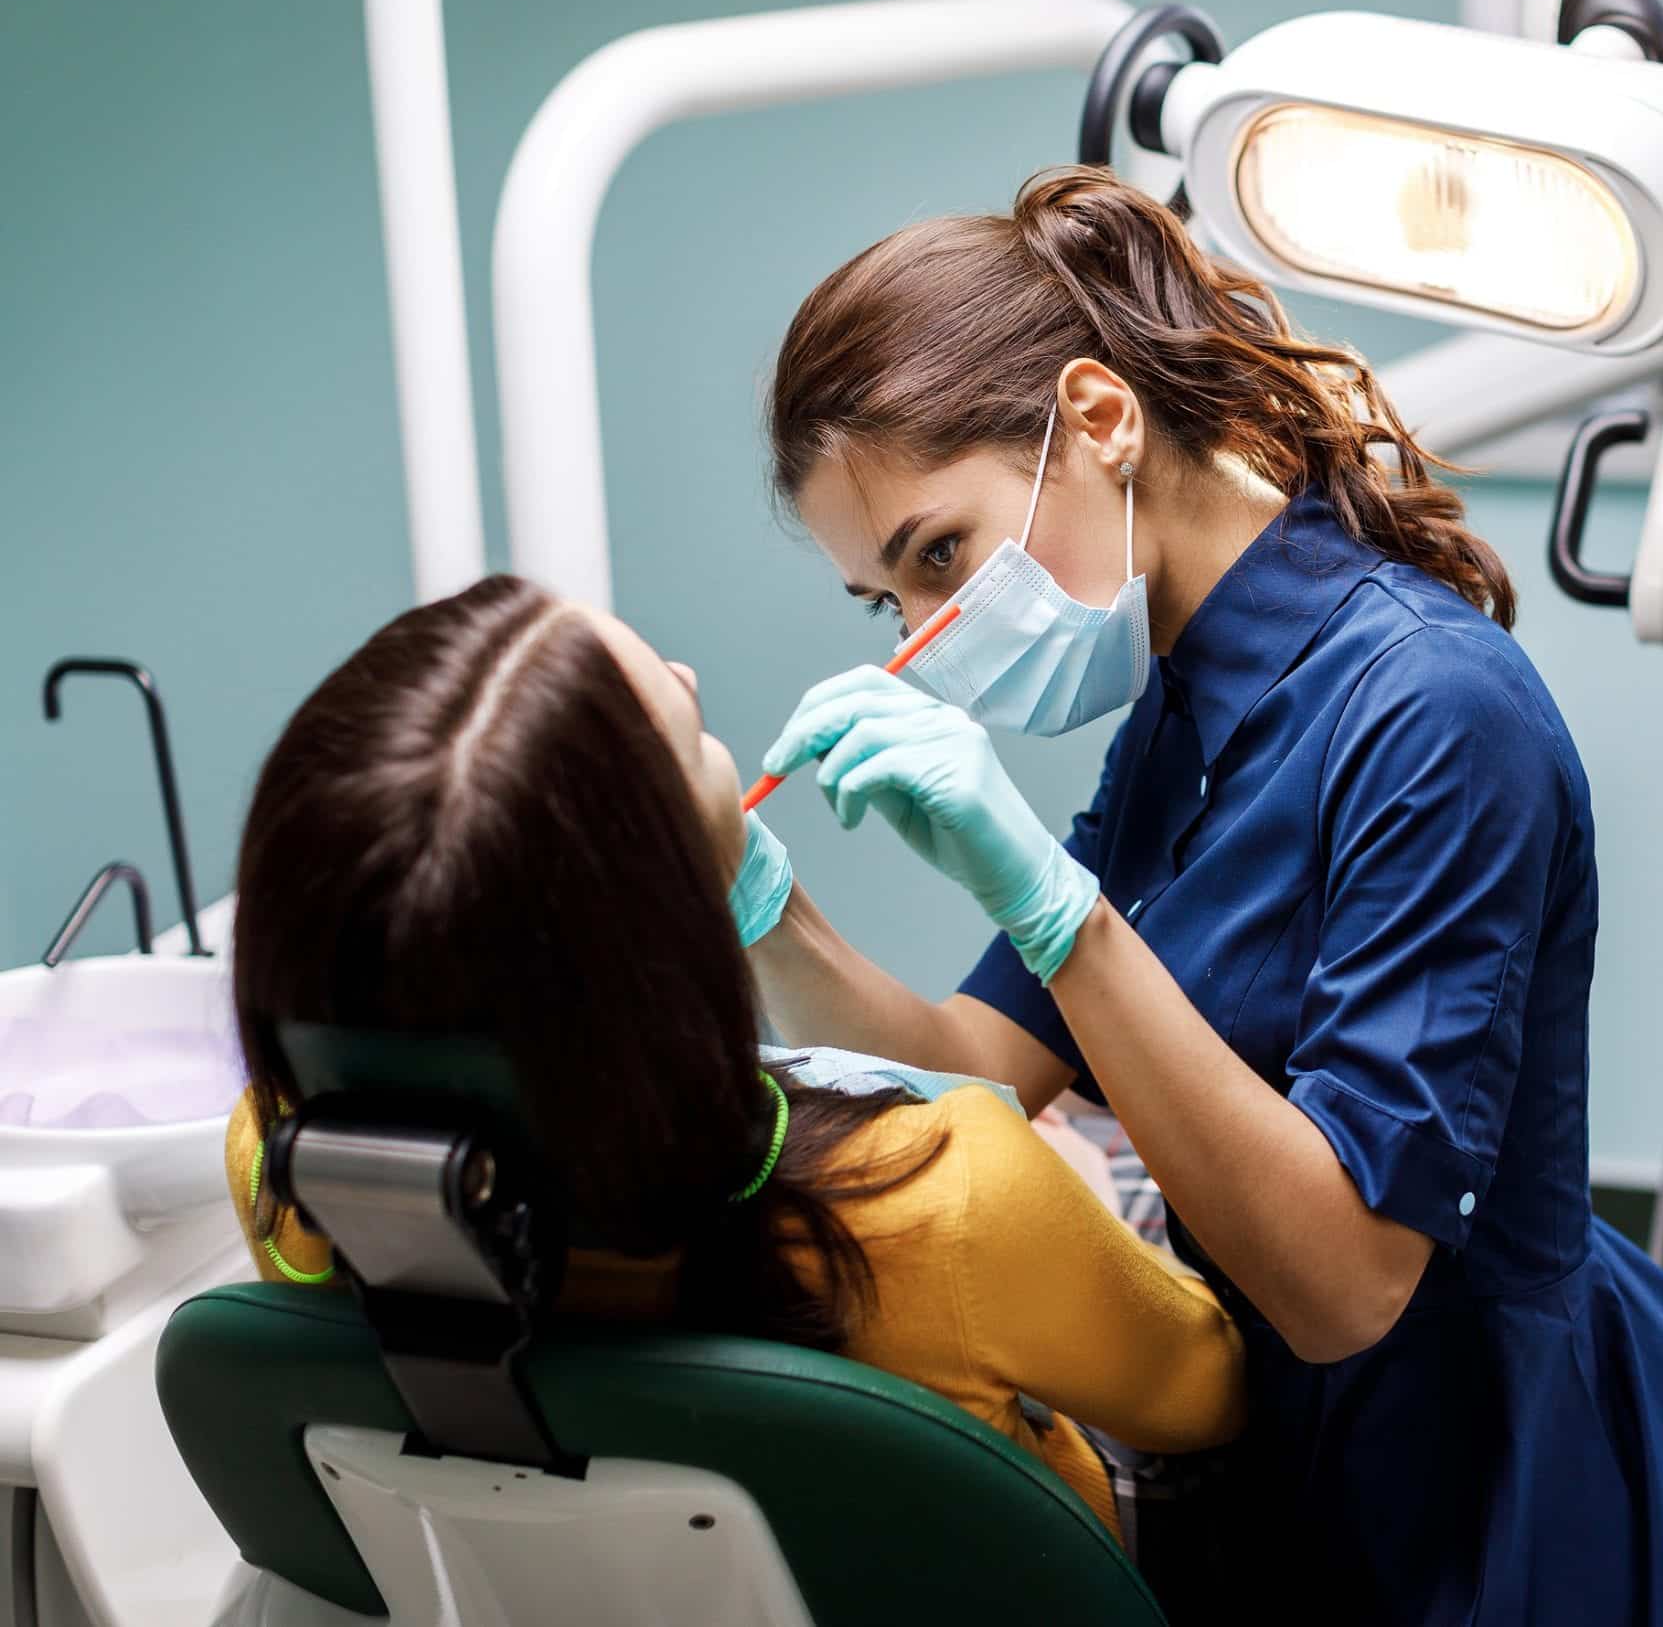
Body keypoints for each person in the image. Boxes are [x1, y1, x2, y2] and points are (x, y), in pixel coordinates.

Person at [734, 165, 1663, 1624]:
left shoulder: (1434, 713)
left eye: (941, 555)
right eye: (890, 602)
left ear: (1102, 421)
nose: (928, 641)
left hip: (1472, 1471)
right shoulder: (1179, 707)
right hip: (1275, 1455)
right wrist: (759, 900)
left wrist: (1066, 911)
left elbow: (1346, 1281)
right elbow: (982, 1072)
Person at [219, 575, 1243, 1543]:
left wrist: (750, 895)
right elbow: (1204, 1393)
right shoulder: (954, 1198)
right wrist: (1072, 1191)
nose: (692, 679)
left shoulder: (290, 1171)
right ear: (660, 943)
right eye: (681, 723)